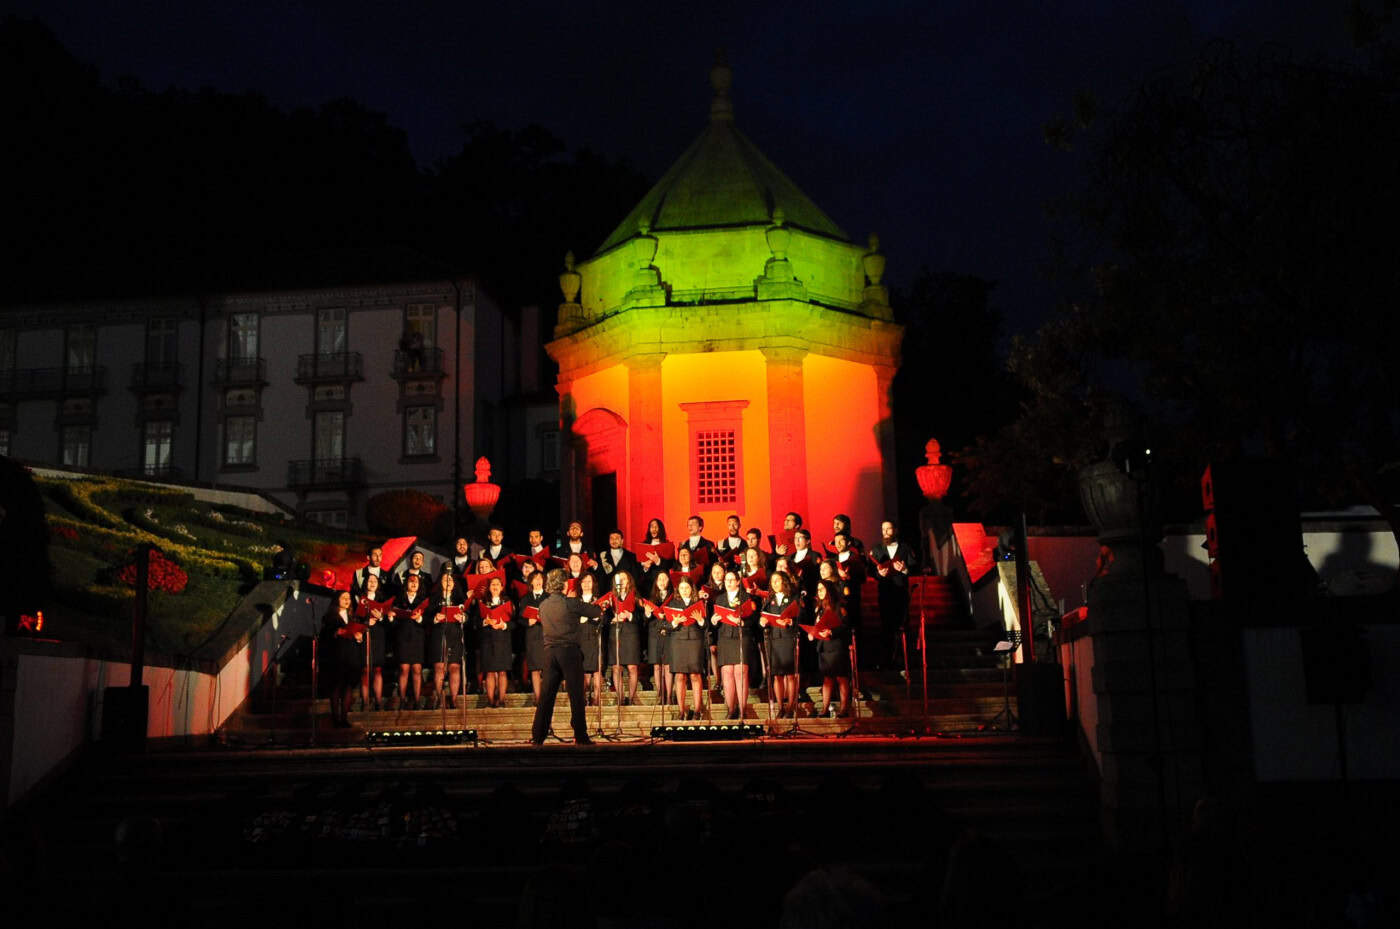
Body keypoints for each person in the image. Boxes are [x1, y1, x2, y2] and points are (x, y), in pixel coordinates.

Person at [530, 569, 601, 746]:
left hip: (549, 653)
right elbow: (595, 612)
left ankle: (538, 735)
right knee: (576, 694)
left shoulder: (543, 605)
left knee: (546, 696)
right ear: (565, 584)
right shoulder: (571, 603)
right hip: (569, 651)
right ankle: (580, 734)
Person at [711, 569, 757, 719]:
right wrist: (713, 621)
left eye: (732, 580)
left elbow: (753, 620)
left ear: (738, 581)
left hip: (741, 637)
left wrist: (742, 622)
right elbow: (716, 623)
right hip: (725, 637)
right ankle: (731, 710)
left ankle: (743, 709)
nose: (728, 582)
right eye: (726, 580)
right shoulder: (720, 599)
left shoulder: (745, 597)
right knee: (727, 673)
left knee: (740, 672)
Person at [870, 520, 916, 671]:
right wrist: (879, 574)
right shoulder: (877, 549)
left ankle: (905, 659)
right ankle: (887, 660)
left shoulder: (904, 547)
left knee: (903, 625)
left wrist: (904, 569)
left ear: (895, 530)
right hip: (885, 592)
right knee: (886, 627)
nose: (885, 532)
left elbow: (914, 566)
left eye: (888, 529)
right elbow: (871, 570)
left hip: (901, 592)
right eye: (883, 529)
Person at [760, 572, 802, 718]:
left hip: (788, 638)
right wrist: (763, 621)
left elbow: (800, 618)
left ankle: (791, 707)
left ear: (784, 582)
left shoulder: (793, 598)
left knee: (790, 675)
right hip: (774, 640)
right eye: (772, 581)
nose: (775, 583)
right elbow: (764, 615)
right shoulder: (769, 599)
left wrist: (790, 622)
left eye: (777, 580)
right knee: (777, 675)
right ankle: (780, 707)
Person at [666, 576, 707, 720]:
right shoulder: (673, 603)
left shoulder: (698, 602)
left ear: (692, 589)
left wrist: (700, 620)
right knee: (679, 676)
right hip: (678, 641)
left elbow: (706, 625)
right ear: (678, 589)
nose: (684, 591)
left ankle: (697, 710)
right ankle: (681, 710)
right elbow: (664, 626)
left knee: (695, 675)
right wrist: (674, 622)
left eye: (687, 588)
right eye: (681, 588)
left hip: (695, 641)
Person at [808, 579, 851, 717]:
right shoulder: (819, 608)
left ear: (829, 590)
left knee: (841, 677)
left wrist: (831, 632)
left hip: (837, 646)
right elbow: (818, 626)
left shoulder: (839, 607)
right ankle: (824, 709)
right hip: (824, 647)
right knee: (827, 679)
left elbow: (845, 626)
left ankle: (844, 708)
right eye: (818, 589)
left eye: (822, 589)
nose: (819, 591)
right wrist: (812, 633)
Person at [320, 590, 362, 727]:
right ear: (337, 600)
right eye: (343, 598)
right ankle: (335, 718)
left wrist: (359, 637)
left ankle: (344, 718)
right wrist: (336, 632)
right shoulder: (329, 617)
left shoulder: (353, 617)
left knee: (348, 686)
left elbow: (358, 632)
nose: (347, 600)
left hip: (351, 655)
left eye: (349, 598)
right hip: (336, 655)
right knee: (336, 686)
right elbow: (325, 636)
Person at [602, 570, 643, 706]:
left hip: (631, 633)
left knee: (632, 667)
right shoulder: (610, 597)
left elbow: (642, 618)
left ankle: (631, 698)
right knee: (616, 667)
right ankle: (620, 698)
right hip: (616, 632)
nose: (622, 582)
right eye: (619, 580)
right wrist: (613, 618)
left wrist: (629, 616)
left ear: (629, 581)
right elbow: (604, 617)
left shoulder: (636, 596)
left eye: (624, 579)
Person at [427, 571, 466, 709]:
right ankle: (439, 698)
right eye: (444, 580)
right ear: (440, 583)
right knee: (439, 667)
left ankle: (454, 700)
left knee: (455, 668)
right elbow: (426, 616)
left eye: (450, 579)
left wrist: (462, 618)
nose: (448, 582)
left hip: (455, 634)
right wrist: (435, 618)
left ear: (454, 583)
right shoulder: (434, 599)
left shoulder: (459, 599)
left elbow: (467, 615)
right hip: (439, 634)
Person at [392, 573, 429, 709]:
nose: (413, 584)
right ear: (406, 584)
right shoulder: (398, 599)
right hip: (403, 637)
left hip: (418, 637)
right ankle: (402, 699)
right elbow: (394, 620)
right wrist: (391, 617)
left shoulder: (422, 600)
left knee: (417, 668)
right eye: (411, 582)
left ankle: (417, 700)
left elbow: (428, 621)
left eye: (416, 582)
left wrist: (419, 618)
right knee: (404, 668)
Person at [354, 572, 391, 710]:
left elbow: (389, 621)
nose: (372, 583)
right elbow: (355, 618)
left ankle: (378, 702)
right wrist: (365, 621)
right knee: (365, 669)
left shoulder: (382, 599)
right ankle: (365, 702)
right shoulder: (360, 599)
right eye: (369, 580)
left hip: (378, 635)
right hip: (365, 634)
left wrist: (381, 617)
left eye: (375, 580)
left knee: (377, 669)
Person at [478, 575, 515, 708]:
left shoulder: (507, 602)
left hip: (503, 639)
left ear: (502, 587)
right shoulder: (483, 602)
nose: (495, 587)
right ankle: (490, 700)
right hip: (488, 640)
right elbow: (475, 622)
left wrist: (503, 625)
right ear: (489, 587)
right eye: (492, 584)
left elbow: (514, 623)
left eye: (497, 585)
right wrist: (485, 621)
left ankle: (501, 700)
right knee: (490, 671)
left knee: (502, 671)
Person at [519, 568, 549, 706]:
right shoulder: (526, 598)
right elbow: (519, 618)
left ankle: (546, 696)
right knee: (534, 668)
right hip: (532, 635)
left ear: (543, 581)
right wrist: (527, 621)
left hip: (547, 635)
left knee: (547, 667)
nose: (537, 581)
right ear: (530, 582)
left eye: (539, 578)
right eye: (534, 579)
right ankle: (538, 698)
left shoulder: (549, 597)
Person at [575, 570, 605, 707]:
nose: (586, 584)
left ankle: (597, 699)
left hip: (595, 637)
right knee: (584, 672)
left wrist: (597, 617)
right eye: (584, 581)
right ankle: (583, 699)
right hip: (580, 639)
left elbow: (604, 619)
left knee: (597, 670)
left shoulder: (598, 601)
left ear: (593, 584)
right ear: (580, 584)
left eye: (589, 581)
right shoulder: (576, 601)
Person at [644, 570, 674, 706]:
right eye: (659, 579)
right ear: (656, 582)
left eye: (664, 579)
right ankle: (659, 694)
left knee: (667, 665)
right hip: (653, 633)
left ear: (668, 581)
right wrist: (648, 613)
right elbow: (645, 621)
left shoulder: (673, 598)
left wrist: (666, 617)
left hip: (668, 633)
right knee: (657, 666)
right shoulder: (651, 598)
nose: (662, 582)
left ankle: (668, 696)